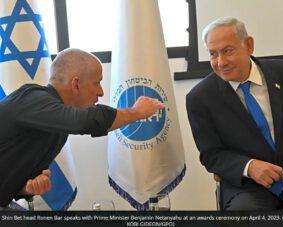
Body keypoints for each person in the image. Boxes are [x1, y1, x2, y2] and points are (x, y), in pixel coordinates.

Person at [0, 48, 164, 209]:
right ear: (76, 84)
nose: (101, 92)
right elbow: (87, 121)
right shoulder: (32, 98)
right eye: (97, 83)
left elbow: (14, 182)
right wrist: (137, 112)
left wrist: (27, 188)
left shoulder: (57, 125)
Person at [186, 16, 283, 210]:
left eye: (227, 51)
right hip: (248, 187)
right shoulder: (200, 98)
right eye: (213, 54)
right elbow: (211, 154)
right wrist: (249, 167)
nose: (220, 62)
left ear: (249, 45)